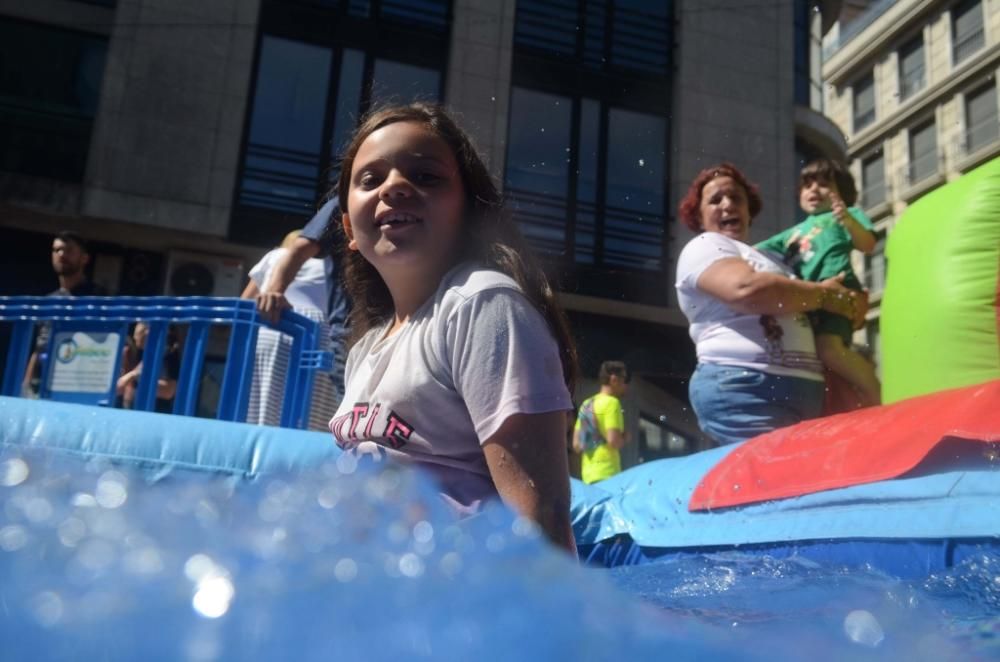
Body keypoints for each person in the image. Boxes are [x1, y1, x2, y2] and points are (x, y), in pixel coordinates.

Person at [328, 102, 578, 552]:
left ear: (467, 210)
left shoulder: (482, 305)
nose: (395, 186)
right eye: (371, 179)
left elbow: (541, 521)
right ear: (348, 225)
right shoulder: (365, 350)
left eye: (426, 176)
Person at [674, 163, 866, 446]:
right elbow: (745, 289)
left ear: (749, 211)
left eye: (736, 198)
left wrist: (849, 302)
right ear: (700, 217)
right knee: (772, 482)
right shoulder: (704, 245)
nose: (727, 205)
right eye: (715, 200)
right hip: (745, 388)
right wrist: (826, 296)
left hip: (806, 396)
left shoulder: (776, 260)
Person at [756, 159, 881, 407]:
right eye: (807, 185)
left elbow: (867, 244)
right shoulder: (794, 231)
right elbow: (757, 250)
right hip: (811, 300)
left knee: (829, 350)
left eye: (824, 184)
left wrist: (847, 220)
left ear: (840, 193)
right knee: (822, 358)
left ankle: (874, 393)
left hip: (840, 291)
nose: (814, 190)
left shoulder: (847, 215)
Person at [241, 230, 340, 431]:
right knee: (309, 411)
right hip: (319, 334)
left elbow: (245, 301)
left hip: (273, 325)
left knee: (263, 403)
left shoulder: (274, 256)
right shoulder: (335, 265)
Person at [255, 197, 349, 405]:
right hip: (324, 335)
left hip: (277, 327)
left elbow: (247, 299)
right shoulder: (345, 201)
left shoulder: (275, 257)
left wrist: (273, 293)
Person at [22, 231, 107, 396]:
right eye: (57, 250)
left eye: (68, 250)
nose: (61, 255)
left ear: (84, 258)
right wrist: (25, 386)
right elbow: (40, 345)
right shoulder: (49, 300)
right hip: (40, 384)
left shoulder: (97, 297)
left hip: (77, 383)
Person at [572, 361, 629, 484]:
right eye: (624, 379)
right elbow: (614, 441)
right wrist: (625, 438)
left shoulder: (586, 404)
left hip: (587, 474)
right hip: (608, 472)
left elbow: (576, 444)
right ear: (613, 379)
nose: (625, 384)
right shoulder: (612, 403)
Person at [116, 322, 180, 413]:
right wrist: (132, 375)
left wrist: (138, 378)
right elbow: (117, 388)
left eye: (140, 335)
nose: (136, 338)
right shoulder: (129, 352)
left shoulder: (167, 355)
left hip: (155, 411)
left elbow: (168, 392)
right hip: (128, 410)